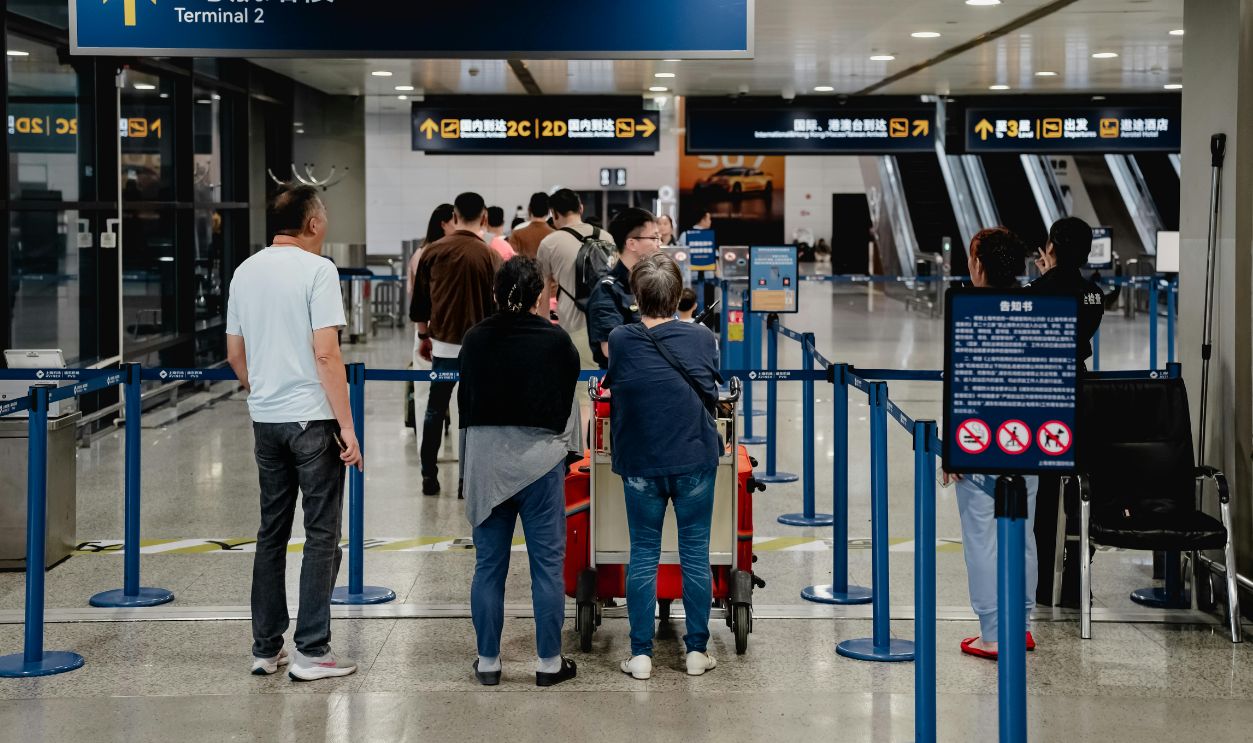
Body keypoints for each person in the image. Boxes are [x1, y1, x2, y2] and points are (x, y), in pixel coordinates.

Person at [225, 184, 362, 681]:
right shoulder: (318, 271)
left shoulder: (245, 271)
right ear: (311, 223)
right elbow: (326, 353)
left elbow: (234, 353)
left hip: (266, 421)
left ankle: (265, 649)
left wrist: (260, 390)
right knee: (322, 534)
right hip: (311, 419)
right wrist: (347, 426)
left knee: (271, 534)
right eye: (323, 214)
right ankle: (312, 651)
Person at [460, 256, 581, 688]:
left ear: (496, 294)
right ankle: (549, 664)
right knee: (547, 566)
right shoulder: (556, 342)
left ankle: (489, 661)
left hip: (487, 466)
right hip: (541, 464)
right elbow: (569, 410)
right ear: (540, 297)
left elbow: (467, 408)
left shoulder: (475, 340)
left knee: (488, 566)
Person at [605, 252, 722, 680]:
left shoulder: (620, 339)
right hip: (693, 458)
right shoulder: (702, 338)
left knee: (643, 555)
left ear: (637, 296)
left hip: (640, 462)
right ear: (678, 296)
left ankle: (640, 655)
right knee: (694, 554)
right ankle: (696, 650)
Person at [943, 227, 1040, 660]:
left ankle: (993, 633)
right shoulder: (1041, 307)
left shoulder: (969, 309)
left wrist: (954, 447)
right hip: (1034, 437)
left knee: (982, 535)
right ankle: (1021, 628)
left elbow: (961, 381)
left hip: (981, 438)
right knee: (1023, 532)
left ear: (978, 264)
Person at [1028, 216, 1106, 607]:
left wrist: (1044, 278)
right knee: (1080, 486)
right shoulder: (1095, 295)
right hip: (1082, 391)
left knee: (1045, 491)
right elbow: (1072, 300)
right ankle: (1078, 582)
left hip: (1046, 393)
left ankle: (1044, 583)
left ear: (1051, 247)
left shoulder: (1035, 291)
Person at [410, 192, 500, 497]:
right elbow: (499, 305)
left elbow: (420, 301)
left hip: (443, 345)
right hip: (481, 348)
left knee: (435, 410)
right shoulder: (490, 255)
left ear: (456, 215)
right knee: (474, 414)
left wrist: (424, 337)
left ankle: (428, 476)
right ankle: (466, 480)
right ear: (484, 217)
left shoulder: (432, 251)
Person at [536, 189, 613, 370]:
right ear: (581, 208)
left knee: (581, 389)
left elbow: (544, 291)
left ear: (553, 214)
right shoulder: (606, 237)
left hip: (573, 328)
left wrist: (545, 330)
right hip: (608, 327)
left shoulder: (550, 243)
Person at [586, 207, 662, 368]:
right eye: (654, 238)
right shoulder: (608, 290)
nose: (659, 244)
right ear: (632, 243)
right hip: (625, 381)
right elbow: (610, 348)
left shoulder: (652, 283)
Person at [408, 204, 456, 444]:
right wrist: (422, 335)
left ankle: (427, 452)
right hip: (427, 331)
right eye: (453, 221)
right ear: (443, 224)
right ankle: (425, 451)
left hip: (432, 331)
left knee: (429, 397)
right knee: (426, 396)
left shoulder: (425, 252)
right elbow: (421, 298)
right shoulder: (428, 254)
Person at [508, 192, 555, 259]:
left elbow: (510, 259)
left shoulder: (517, 234)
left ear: (529, 209)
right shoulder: (554, 234)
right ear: (548, 211)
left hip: (523, 269)